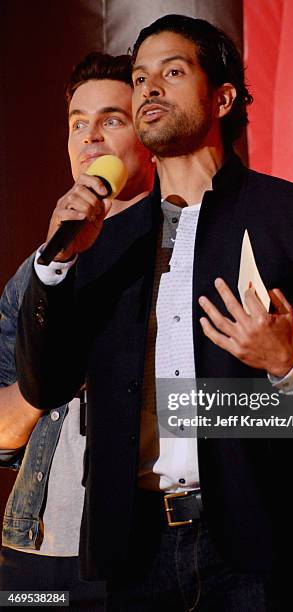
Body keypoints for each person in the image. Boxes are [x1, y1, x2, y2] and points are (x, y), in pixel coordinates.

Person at [15, 15, 293, 611]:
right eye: (139, 80)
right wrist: (54, 268)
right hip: (133, 551)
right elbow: (45, 382)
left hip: (266, 547)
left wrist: (290, 364)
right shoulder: (101, 242)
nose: (149, 90)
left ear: (223, 96)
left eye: (173, 72)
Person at [0, 51, 152, 609]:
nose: (90, 138)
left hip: (146, 548)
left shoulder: (180, 252)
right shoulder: (39, 269)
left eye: (111, 119)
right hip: (36, 548)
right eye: (77, 124)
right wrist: (56, 368)